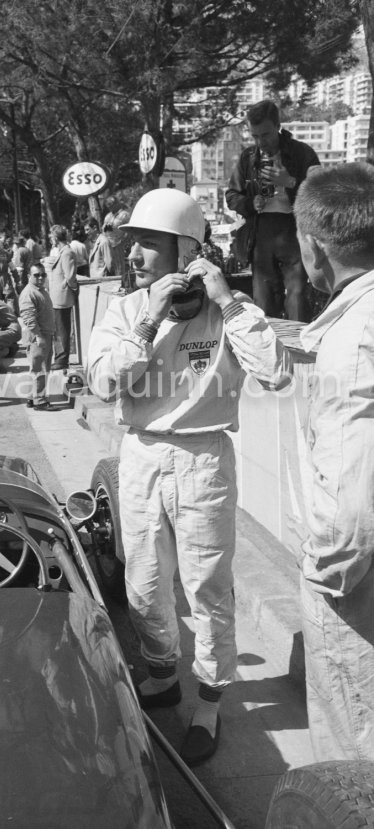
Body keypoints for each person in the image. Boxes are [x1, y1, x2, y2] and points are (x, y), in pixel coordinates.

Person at [87, 189, 290, 765]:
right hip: (143, 454)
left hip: (204, 460)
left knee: (206, 588)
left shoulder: (227, 311)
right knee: (145, 586)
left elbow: (274, 370)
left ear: (188, 250)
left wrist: (226, 300)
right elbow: (105, 383)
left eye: (148, 244)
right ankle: (162, 675)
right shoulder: (126, 312)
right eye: (133, 243)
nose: (133, 256)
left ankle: (208, 701)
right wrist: (151, 318)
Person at [293, 162, 374, 762]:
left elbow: (347, 528)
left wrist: (319, 573)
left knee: (352, 764)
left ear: (315, 249)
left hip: (353, 596)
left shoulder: (351, 347)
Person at [226, 99, 319, 322]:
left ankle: (299, 349)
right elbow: (232, 196)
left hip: (294, 231)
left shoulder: (302, 153)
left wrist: (290, 182)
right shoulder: (248, 157)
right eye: (254, 136)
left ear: (278, 126)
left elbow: (319, 194)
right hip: (261, 232)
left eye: (265, 134)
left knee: (296, 296)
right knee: (263, 299)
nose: (260, 142)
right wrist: (251, 203)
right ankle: (267, 350)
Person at [19, 263, 56, 410]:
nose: (40, 277)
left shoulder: (40, 290)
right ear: (29, 276)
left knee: (37, 368)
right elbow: (28, 317)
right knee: (39, 369)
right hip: (38, 336)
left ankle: (31, 397)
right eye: (36, 275)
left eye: (43, 274)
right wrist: (38, 336)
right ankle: (40, 401)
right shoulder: (29, 293)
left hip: (45, 334)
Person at [48, 224, 78, 371]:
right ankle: (59, 358)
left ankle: (61, 359)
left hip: (62, 297)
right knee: (59, 329)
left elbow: (70, 276)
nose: (50, 240)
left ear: (55, 237)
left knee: (62, 330)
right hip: (58, 297)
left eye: (51, 237)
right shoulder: (63, 252)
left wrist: (73, 290)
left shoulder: (67, 253)